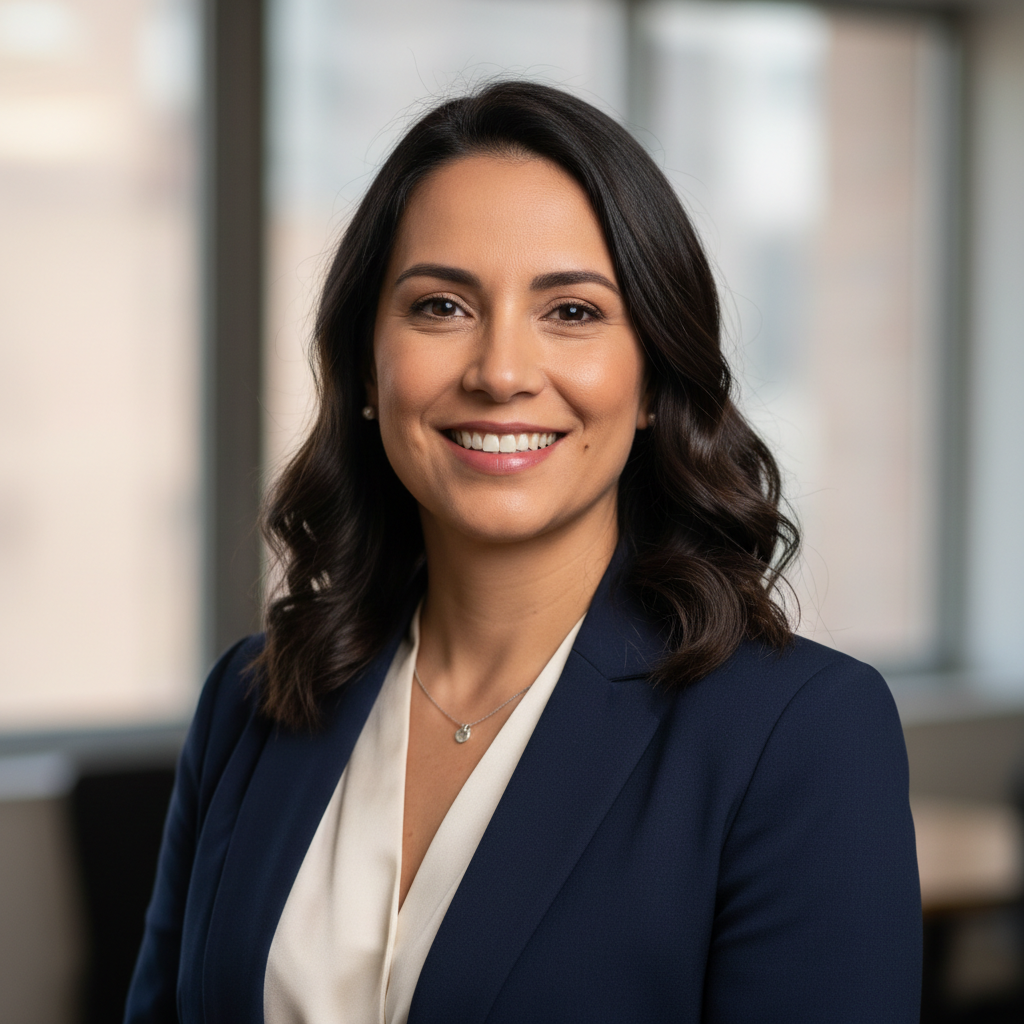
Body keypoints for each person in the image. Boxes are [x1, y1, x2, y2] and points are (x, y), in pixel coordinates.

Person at [124, 81, 921, 1023]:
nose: (500, 371)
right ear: (366, 368)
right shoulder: (252, 700)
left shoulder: (800, 734)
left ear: (656, 377)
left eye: (573, 313)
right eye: (441, 307)